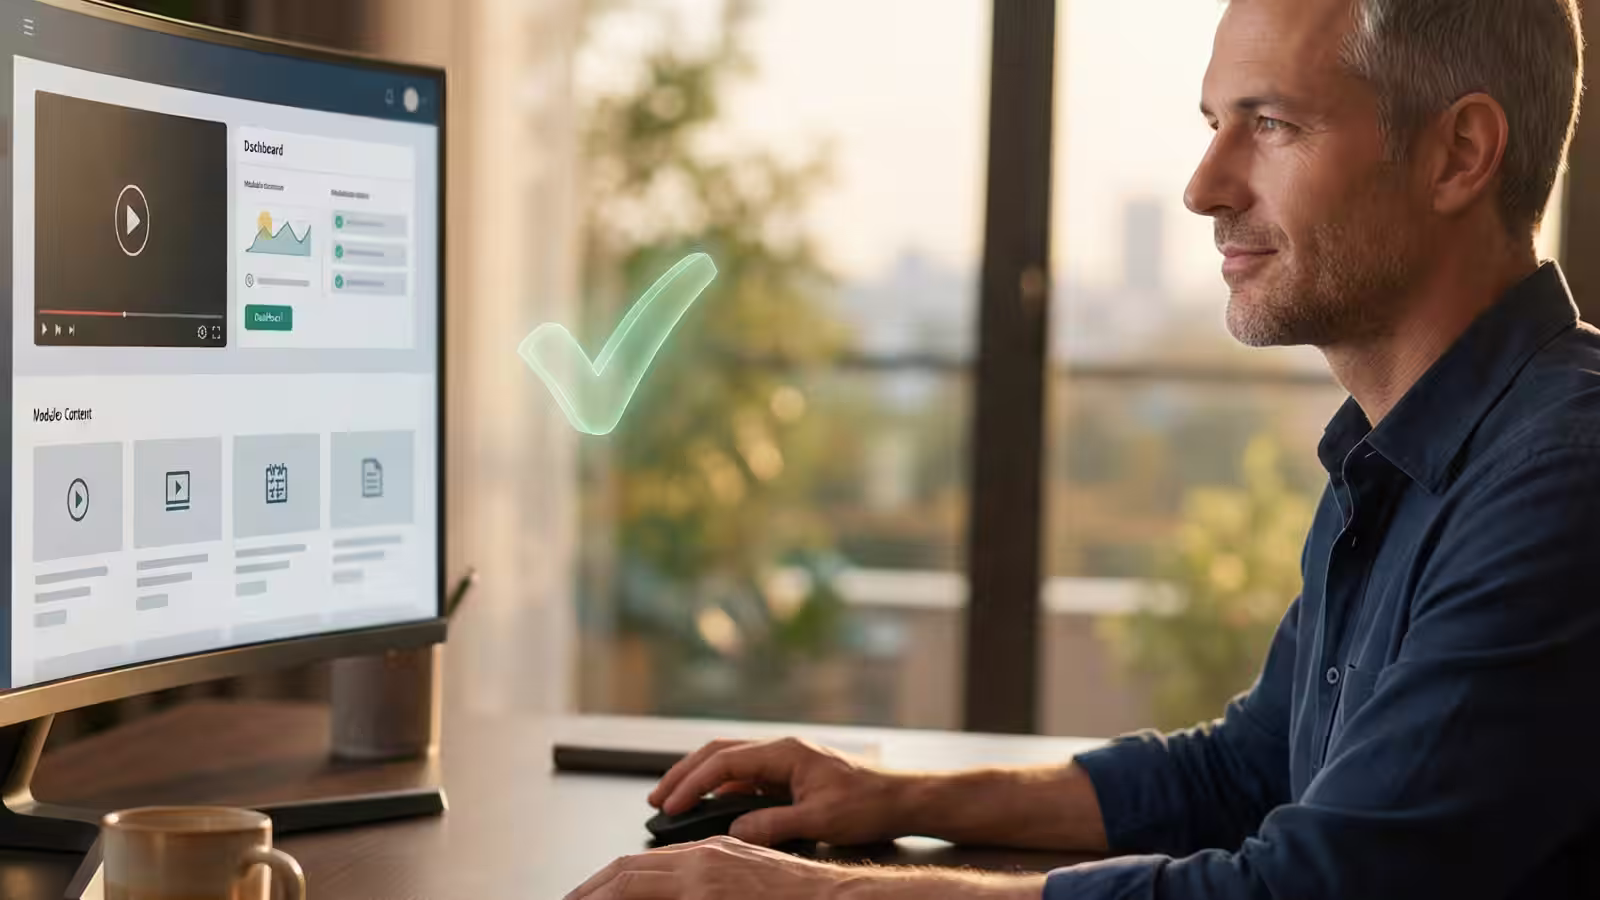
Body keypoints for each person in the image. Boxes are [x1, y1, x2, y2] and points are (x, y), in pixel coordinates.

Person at [564, 0, 1599, 896]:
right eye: (1212, 125)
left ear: (1457, 155)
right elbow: (1244, 773)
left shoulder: (1562, 476)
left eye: (1271, 124)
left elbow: (1309, 889)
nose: (1204, 186)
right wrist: (890, 794)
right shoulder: (1402, 453)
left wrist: (821, 899)